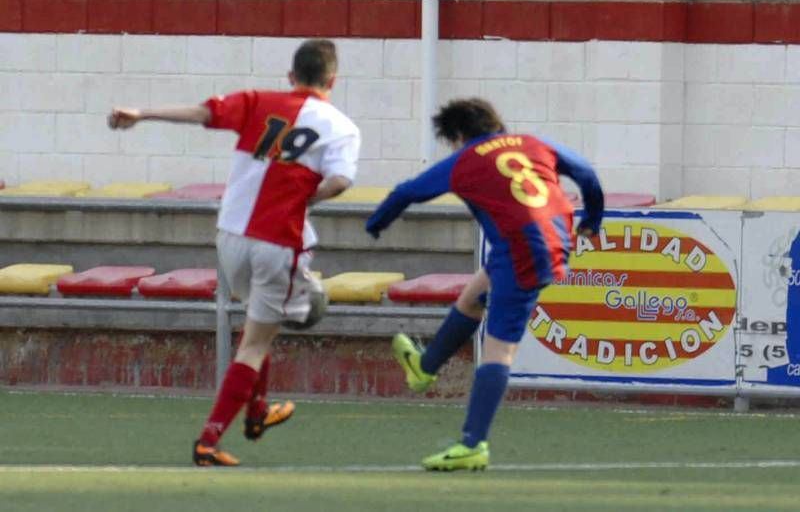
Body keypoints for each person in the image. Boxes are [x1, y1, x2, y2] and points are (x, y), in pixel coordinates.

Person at [109, 39, 360, 467]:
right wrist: (302, 201)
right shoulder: (342, 126)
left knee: (255, 330)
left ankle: (258, 411)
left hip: (231, 235)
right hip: (278, 241)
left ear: (291, 76)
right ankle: (208, 440)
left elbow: (202, 113)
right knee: (258, 340)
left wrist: (142, 112)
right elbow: (339, 182)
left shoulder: (258, 101)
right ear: (333, 80)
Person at [366, 98, 603, 471]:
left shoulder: (465, 159)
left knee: (498, 351)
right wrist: (594, 217)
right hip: (551, 235)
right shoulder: (532, 142)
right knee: (473, 296)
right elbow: (586, 173)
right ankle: (424, 367)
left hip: (523, 251)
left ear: (459, 135)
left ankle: (473, 444)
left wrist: (376, 224)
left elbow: (406, 192)